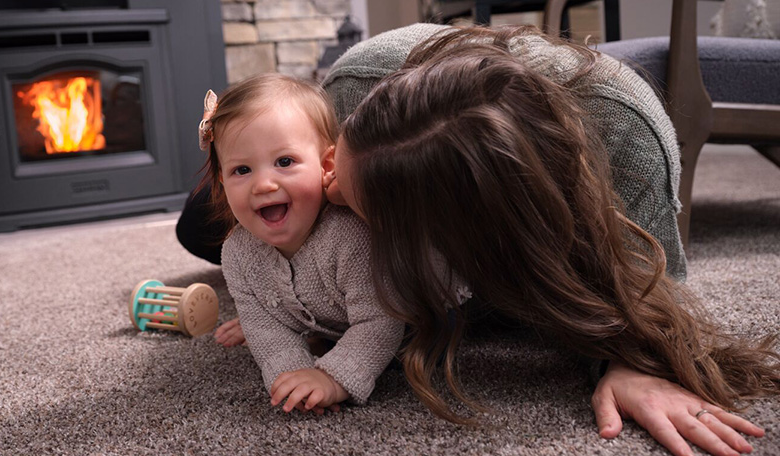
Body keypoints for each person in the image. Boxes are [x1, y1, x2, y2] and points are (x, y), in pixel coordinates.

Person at [178, 23, 779, 456]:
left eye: (351, 202)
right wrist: (285, 296)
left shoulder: (632, 145)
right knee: (200, 229)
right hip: (371, 99)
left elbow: (649, 289)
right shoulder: (353, 89)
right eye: (337, 170)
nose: (328, 193)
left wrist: (626, 360)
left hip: (578, 108)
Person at [197, 73, 410, 414]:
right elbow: (267, 333)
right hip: (336, 322)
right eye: (242, 170)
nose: (263, 185)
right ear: (222, 181)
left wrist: (333, 377)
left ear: (326, 165)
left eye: (284, 162)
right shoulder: (238, 254)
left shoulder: (350, 237)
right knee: (266, 320)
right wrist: (291, 377)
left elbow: (380, 321)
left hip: (426, 317)